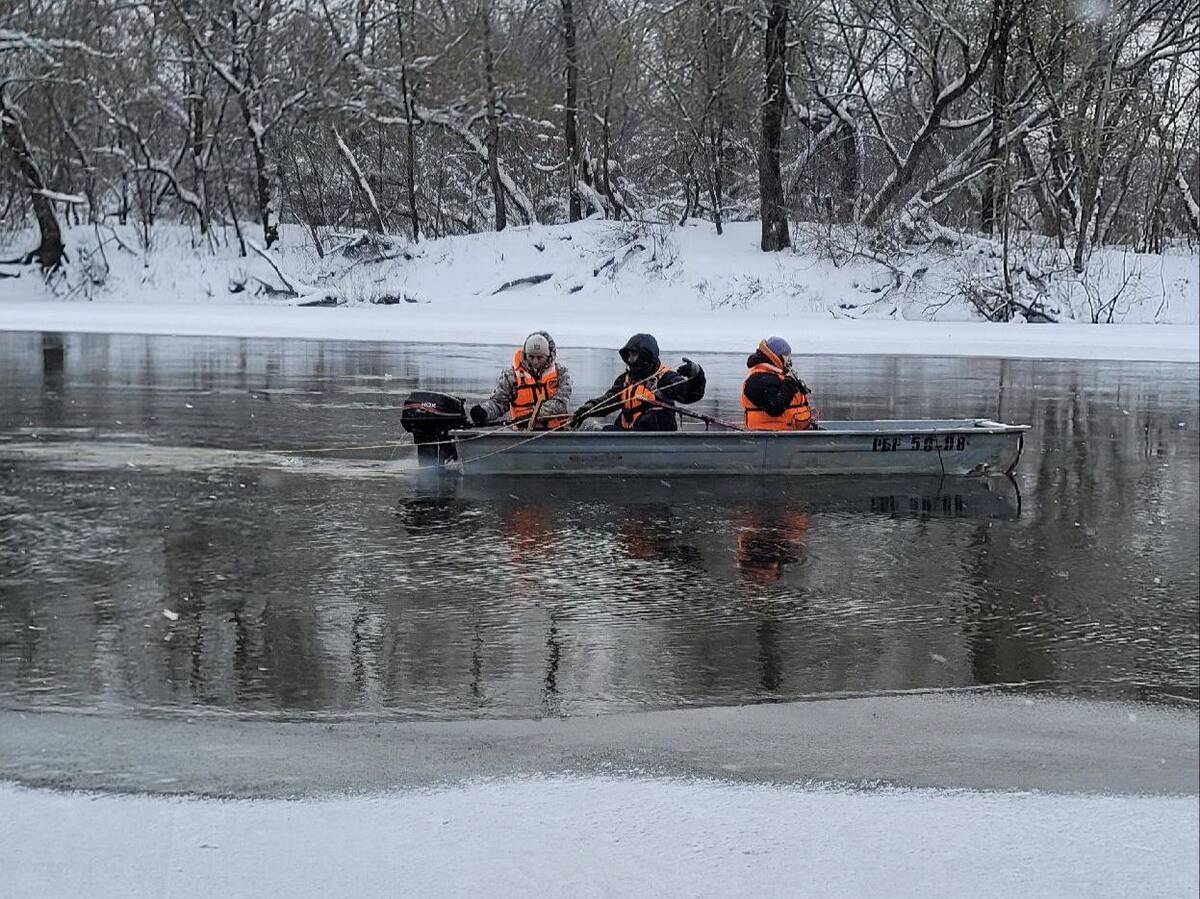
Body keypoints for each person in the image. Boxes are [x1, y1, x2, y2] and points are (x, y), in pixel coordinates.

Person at [575, 333, 705, 431]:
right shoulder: (625, 380)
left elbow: (690, 395)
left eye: (634, 355)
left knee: (653, 417)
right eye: (629, 356)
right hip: (629, 438)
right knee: (604, 429)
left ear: (645, 356)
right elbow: (608, 401)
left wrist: (697, 375)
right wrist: (588, 409)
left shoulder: (665, 378)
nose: (630, 360)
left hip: (657, 439)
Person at [469, 331, 572, 430]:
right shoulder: (511, 376)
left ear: (548, 356)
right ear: (525, 354)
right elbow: (499, 403)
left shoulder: (561, 373)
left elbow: (561, 403)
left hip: (556, 430)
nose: (535, 362)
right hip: (521, 432)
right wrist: (484, 411)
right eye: (531, 357)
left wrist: (533, 415)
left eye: (540, 357)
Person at [741, 336, 815, 430]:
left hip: (791, 430)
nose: (789, 359)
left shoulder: (776, 376)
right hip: (769, 433)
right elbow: (775, 408)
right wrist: (789, 384)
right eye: (786, 355)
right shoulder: (757, 379)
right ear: (777, 356)